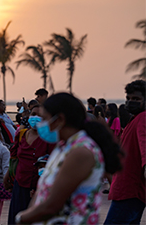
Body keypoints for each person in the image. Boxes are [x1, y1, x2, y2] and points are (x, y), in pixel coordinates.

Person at [15, 93, 122, 225]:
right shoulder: (63, 146)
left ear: (59, 119)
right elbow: (43, 192)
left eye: (44, 118)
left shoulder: (81, 152)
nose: (40, 124)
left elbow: (52, 205)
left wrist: (21, 218)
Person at [4, 105, 55, 224]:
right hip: (20, 183)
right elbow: (14, 157)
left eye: (39, 115)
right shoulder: (21, 134)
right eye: (33, 114)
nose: (35, 118)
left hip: (38, 186)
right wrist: (8, 175)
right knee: (16, 217)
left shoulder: (48, 138)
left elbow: (52, 162)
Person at [104, 80, 146, 224]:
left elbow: (145, 148)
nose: (130, 102)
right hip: (131, 190)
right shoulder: (135, 119)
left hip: (129, 191)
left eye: (136, 99)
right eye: (128, 98)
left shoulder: (143, 118)